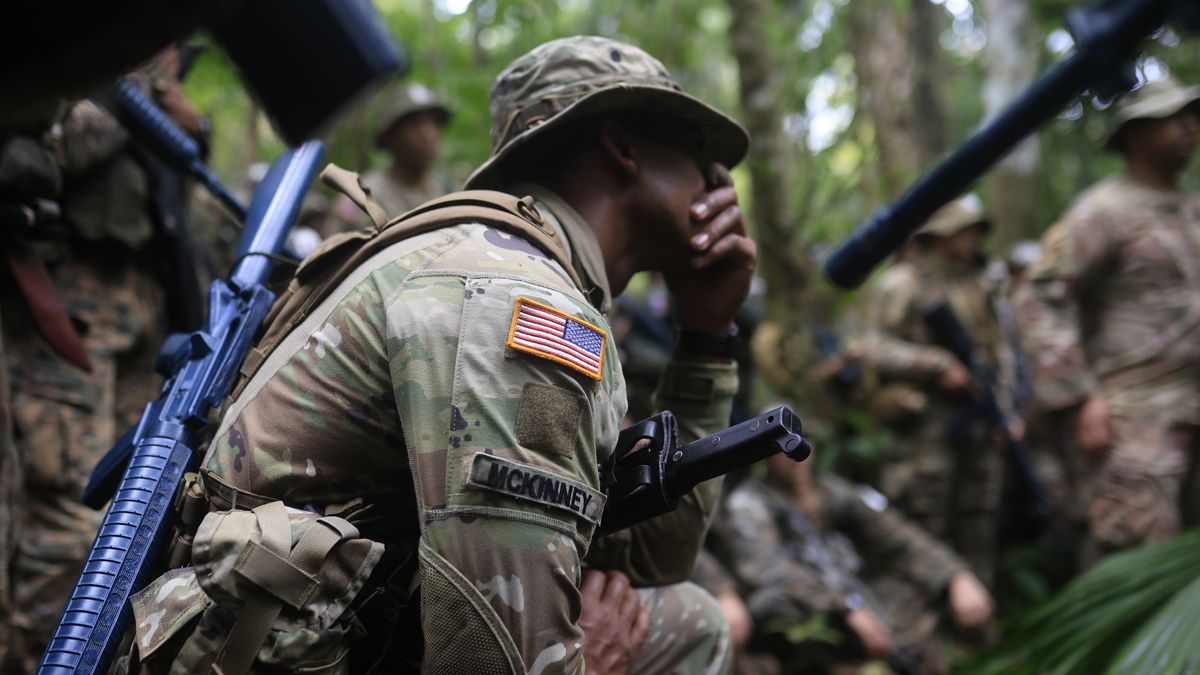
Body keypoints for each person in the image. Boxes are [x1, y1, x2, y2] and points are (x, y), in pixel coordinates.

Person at [123, 35, 755, 674]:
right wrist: (598, 662)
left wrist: (707, 334)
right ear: (622, 148)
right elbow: (494, 662)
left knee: (684, 615)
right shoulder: (512, 293)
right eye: (699, 151)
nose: (718, 181)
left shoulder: (510, 269)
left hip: (325, 636)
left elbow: (651, 559)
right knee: (682, 628)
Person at [1, 48, 207, 672]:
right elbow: (39, 157)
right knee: (67, 502)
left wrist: (186, 122)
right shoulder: (74, 58)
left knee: (136, 501)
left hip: (144, 301)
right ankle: (44, 658)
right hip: (71, 300)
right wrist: (139, 84)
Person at [1015, 76, 1200, 561]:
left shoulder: (1192, 210)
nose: (1190, 127)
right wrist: (1079, 399)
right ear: (1135, 133)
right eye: (1172, 118)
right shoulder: (1102, 212)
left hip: (1191, 408)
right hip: (1133, 419)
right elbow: (1040, 298)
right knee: (1137, 565)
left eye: (1192, 116)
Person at [711, 450, 994, 674]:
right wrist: (846, 607)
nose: (792, 454)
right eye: (777, 448)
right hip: (808, 610)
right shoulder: (749, 503)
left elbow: (897, 536)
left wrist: (956, 576)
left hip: (854, 596)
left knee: (915, 588)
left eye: (800, 441)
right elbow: (768, 570)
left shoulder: (832, 490)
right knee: (775, 603)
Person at [860, 194, 1020, 584]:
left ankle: (977, 616)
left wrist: (1007, 410)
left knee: (978, 518)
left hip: (977, 424)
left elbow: (1002, 351)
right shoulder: (904, 283)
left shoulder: (981, 284)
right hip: (923, 431)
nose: (973, 240)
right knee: (922, 522)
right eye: (965, 230)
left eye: (977, 231)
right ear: (940, 233)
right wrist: (935, 365)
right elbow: (873, 348)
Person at [329, 83, 455, 232]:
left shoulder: (447, 191)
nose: (428, 134)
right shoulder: (362, 198)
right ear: (391, 136)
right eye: (414, 123)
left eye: (433, 123)